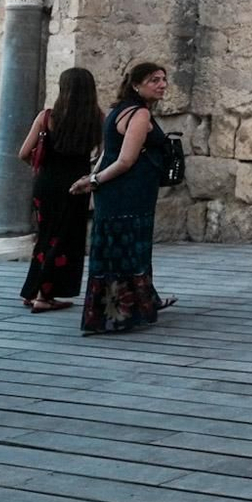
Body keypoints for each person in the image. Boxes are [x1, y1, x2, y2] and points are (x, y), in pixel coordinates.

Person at [75, 62, 172, 334]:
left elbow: (106, 154)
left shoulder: (117, 111)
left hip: (116, 192)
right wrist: (94, 180)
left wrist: (92, 180)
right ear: (136, 84)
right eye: (155, 80)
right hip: (130, 192)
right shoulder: (139, 114)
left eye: (164, 79)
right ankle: (125, 312)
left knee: (113, 249)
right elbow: (125, 160)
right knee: (130, 248)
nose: (162, 84)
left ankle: (124, 308)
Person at [18, 67, 104, 313]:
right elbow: (105, 152)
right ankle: (46, 296)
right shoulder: (96, 117)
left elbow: (24, 153)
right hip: (76, 184)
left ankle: (32, 292)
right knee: (66, 239)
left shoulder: (47, 117)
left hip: (46, 183)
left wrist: (40, 169)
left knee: (45, 237)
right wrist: (92, 175)